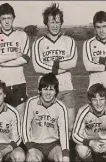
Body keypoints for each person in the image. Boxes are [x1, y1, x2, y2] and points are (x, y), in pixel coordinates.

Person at [31, 3, 77, 136]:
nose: (55, 25)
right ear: (46, 23)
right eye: (52, 22)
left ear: (61, 23)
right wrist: (60, 67)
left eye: (57, 22)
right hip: (47, 89)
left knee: (69, 125)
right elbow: (37, 67)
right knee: (47, 125)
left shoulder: (69, 41)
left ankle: (67, 153)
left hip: (66, 88)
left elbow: (73, 63)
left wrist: (52, 65)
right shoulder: (38, 43)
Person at [0, 3, 30, 118]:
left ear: (13, 18)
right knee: (2, 118)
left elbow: (26, 58)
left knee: (19, 117)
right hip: (1, 84)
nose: (7, 21)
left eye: (9, 18)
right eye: (3, 18)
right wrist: (14, 55)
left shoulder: (22, 35)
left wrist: (3, 62)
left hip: (19, 83)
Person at [72, 83, 106, 162]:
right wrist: (91, 143)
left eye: (101, 99)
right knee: (81, 149)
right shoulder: (83, 111)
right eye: (95, 100)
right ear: (90, 100)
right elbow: (75, 135)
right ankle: (90, 159)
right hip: (90, 143)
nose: (98, 103)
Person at [23, 73, 70, 162]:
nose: (48, 93)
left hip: (53, 145)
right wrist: (31, 150)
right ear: (40, 90)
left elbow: (64, 133)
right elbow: (25, 128)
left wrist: (65, 155)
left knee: (61, 159)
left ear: (56, 91)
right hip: (35, 145)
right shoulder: (31, 102)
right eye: (45, 89)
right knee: (32, 160)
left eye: (51, 89)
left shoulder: (61, 107)